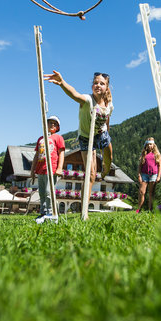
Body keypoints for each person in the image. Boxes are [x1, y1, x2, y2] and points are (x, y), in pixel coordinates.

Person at [44, 70, 114, 203]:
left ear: (106, 87)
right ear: (92, 85)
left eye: (102, 83)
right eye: (95, 83)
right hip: (86, 137)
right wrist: (62, 82)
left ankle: (105, 171)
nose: (98, 85)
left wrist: (106, 134)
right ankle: (84, 208)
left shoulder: (109, 105)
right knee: (91, 174)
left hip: (101, 133)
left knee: (109, 157)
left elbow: (107, 120)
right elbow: (74, 93)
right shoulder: (87, 100)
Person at [29, 115, 65, 224]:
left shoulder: (58, 138)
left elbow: (61, 153)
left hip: (52, 168)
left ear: (58, 127)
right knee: (42, 192)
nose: (52, 125)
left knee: (49, 191)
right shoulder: (41, 139)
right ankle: (43, 212)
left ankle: (51, 212)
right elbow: (36, 155)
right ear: (45, 124)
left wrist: (59, 168)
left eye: (54, 124)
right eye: (50, 122)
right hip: (40, 169)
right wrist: (32, 170)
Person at [137, 137, 161, 213]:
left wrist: (159, 176)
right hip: (144, 174)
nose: (149, 146)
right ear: (146, 145)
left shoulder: (157, 154)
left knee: (151, 193)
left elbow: (160, 166)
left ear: (154, 145)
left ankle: (150, 210)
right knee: (141, 192)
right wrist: (139, 175)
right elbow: (140, 165)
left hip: (153, 175)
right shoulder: (144, 154)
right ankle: (139, 210)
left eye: (151, 144)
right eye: (148, 144)